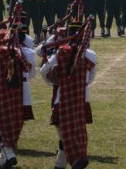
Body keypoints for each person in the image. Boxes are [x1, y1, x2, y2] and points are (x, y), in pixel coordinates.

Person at [40, 21, 96, 169]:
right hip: (82, 97)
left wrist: (53, 83)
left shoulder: (61, 52)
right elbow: (91, 78)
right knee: (77, 129)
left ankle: (67, 160)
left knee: (64, 130)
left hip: (62, 96)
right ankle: (63, 161)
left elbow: (43, 70)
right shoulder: (90, 55)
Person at [0, 25, 37, 168]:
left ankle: (7, 153)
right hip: (22, 92)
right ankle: (5, 156)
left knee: (1, 125)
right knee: (15, 124)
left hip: (1, 91)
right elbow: (31, 74)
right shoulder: (29, 52)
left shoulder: (0, 52)